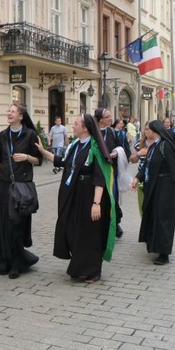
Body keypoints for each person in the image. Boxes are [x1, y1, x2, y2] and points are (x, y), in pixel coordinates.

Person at [36, 114, 115, 283]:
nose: (73, 126)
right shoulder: (74, 145)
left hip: (89, 194)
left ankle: (93, 270)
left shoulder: (95, 148)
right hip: (73, 193)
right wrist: (43, 151)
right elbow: (62, 162)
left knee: (89, 232)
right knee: (71, 228)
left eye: (76, 123)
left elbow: (99, 177)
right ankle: (79, 264)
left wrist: (96, 203)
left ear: (86, 128)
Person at [0, 103, 42, 279]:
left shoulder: (30, 135)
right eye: (8, 111)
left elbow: (39, 160)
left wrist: (26, 157)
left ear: (21, 116)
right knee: (5, 224)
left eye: (13, 111)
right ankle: (4, 260)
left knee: (17, 224)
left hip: (22, 186)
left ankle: (16, 263)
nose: (9, 113)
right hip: (4, 185)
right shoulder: (2, 135)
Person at [131, 120, 175, 265]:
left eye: (147, 129)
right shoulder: (153, 146)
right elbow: (147, 165)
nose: (145, 131)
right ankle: (154, 244)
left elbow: (173, 164)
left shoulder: (165, 145)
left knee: (163, 217)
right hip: (152, 185)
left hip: (165, 185)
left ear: (155, 130)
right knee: (153, 214)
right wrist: (137, 178)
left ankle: (164, 253)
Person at [94, 109, 125, 239]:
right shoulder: (92, 132)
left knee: (112, 198)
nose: (111, 119)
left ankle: (115, 224)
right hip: (96, 171)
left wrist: (117, 152)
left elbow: (120, 146)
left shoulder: (111, 132)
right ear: (100, 119)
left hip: (111, 171)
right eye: (108, 117)